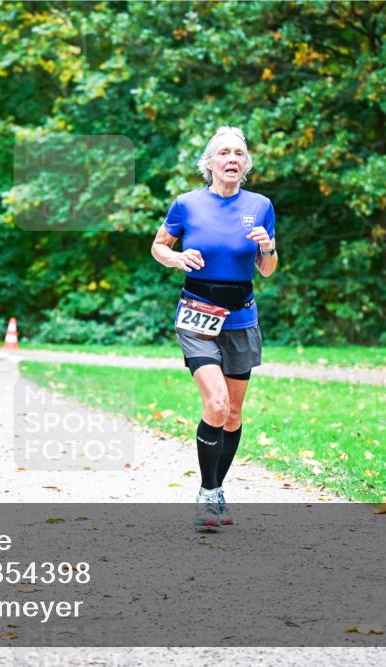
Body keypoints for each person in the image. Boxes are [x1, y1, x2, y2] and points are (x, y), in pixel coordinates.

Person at [151, 126, 278, 528]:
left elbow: (268, 270)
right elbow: (159, 246)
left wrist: (268, 248)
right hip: (197, 314)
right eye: (223, 153)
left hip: (241, 316)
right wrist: (176, 259)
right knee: (217, 404)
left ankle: (217, 488)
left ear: (246, 165)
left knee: (235, 413)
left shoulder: (260, 206)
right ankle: (207, 493)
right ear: (209, 163)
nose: (232, 159)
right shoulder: (186, 205)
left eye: (239, 154)